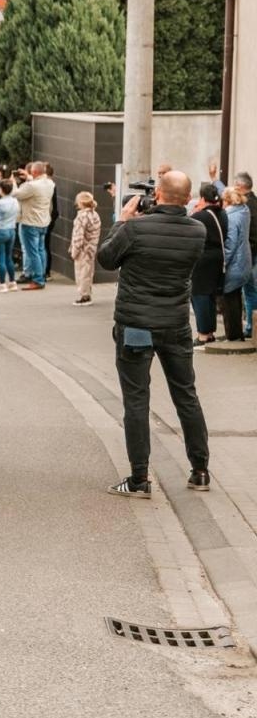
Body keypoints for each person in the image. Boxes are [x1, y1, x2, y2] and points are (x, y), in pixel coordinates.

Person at [98, 171, 211, 497]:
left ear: (157, 194)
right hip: (175, 325)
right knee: (186, 396)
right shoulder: (197, 231)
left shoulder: (135, 228)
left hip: (136, 326)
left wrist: (121, 220)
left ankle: (139, 479)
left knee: (137, 400)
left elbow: (107, 259)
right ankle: (200, 470)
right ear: (188, 198)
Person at [189, 182, 227, 347]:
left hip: (203, 259)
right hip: (218, 258)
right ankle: (210, 332)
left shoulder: (200, 216)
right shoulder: (222, 213)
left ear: (203, 198)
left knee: (199, 295)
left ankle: (203, 334)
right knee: (210, 295)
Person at [11, 162, 55, 289]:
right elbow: (37, 183)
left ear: (34, 172)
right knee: (41, 250)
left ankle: (38, 280)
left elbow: (15, 194)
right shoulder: (50, 183)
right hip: (43, 221)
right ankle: (42, 276)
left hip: (29, 222)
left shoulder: (31, 186)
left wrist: (13, 181)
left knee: (32, 252)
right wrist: (29, 177)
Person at [220, 187, 250, 342]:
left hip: (234, 266)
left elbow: (230, 244)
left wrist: (222, 262)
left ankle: (232, 335)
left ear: (228, 200)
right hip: (244, 262)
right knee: (236, 298)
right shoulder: (244, 211)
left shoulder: (231, 217)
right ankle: (237, 334)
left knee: (229, 299)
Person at [69, 191, 102, 306]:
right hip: (91, 248)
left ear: (80, 203)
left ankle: (84, 296)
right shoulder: (95, 214)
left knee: (81, 273)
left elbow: (78, 235)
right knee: (88, 272)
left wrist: (74, 250)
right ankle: (87, 293)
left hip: (82, 249)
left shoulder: (81, 216)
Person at [0, 179, 20, 292]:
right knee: (8, 257)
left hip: (0, 230)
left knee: (0, 257)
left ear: (1, 190)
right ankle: (12, 282)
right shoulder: (15, 201)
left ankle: (2, 284)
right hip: (11, 229)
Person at [236, 171, 257, 336]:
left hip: (251, 254)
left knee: (250, 291)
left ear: (240, 186)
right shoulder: (254, 202)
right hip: (253, 252)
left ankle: (251, 327)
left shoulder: (245, 207)